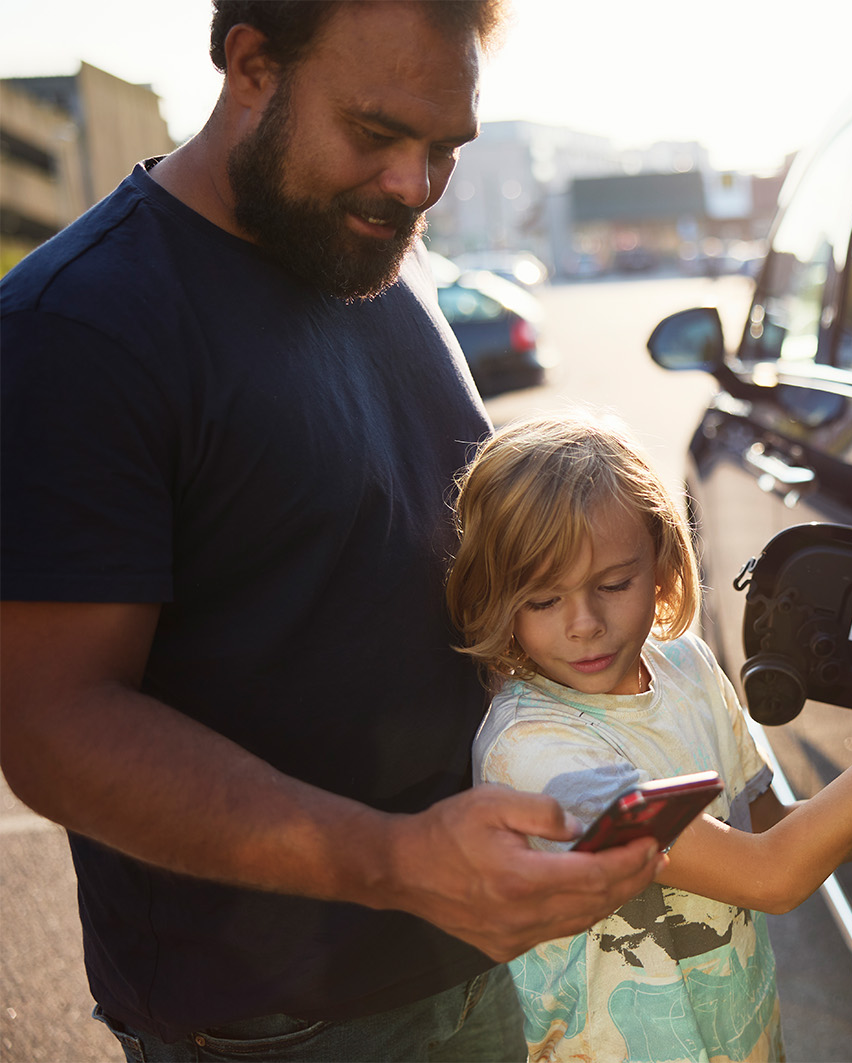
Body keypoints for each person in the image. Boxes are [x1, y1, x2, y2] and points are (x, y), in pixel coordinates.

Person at [0, 3, 660, 1060]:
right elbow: (50, 723)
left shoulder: (375, 256)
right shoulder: (82, 326)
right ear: (252, 63)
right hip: (282, 1026)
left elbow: (446, 573)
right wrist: (395, 860)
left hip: (473, 957)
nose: (413, 184)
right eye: (376, 132)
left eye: (445, 148)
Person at [447, 411, 852, 1062]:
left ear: (664, 562)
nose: (583, 623)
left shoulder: (687, 668)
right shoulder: (535, 751)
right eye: (542, 599)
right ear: (497, 595)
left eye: (612, 584)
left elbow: (769, 827)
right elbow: (772, 874)